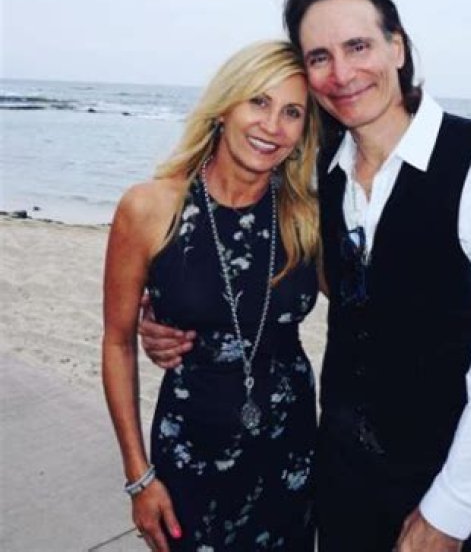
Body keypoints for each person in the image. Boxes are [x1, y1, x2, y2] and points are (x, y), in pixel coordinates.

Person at [141, 0, 471, 552]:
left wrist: (451, 510)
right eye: (319, 57)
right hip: (338, 484)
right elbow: (270, 268)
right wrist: (168, 314)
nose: (342, 73)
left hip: (447, 486)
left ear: (397, 48)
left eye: (358, 46)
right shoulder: (317, 177)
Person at [102, 40, 321, 552]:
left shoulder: (308, 217)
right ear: (224, 107)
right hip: (189, 456)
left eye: (292, 112)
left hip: (290, 458)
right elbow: (116, 343)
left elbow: (371, 309)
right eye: (258, 101)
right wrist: (138, 476)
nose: (273, 125)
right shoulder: (149, 208)